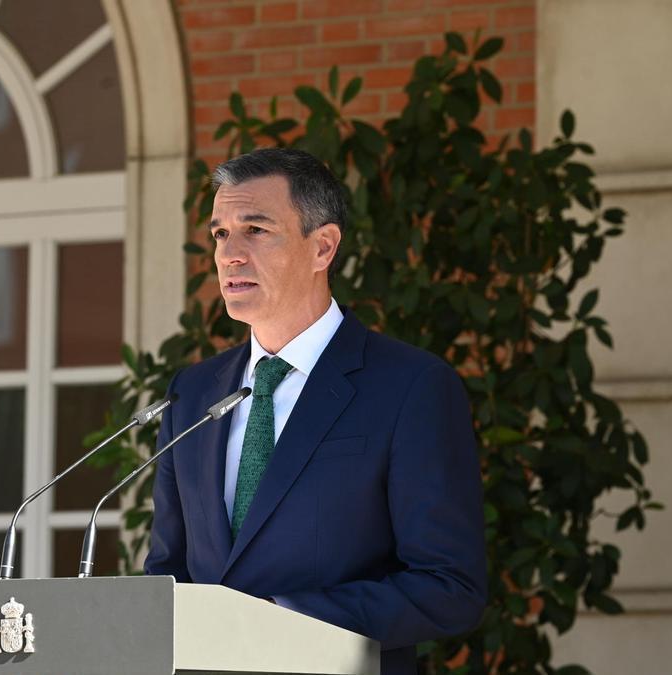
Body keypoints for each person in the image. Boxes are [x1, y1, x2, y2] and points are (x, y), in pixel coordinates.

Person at [144, 148, 487, 675]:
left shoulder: (410, 387)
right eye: (219, 234)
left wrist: (283, 620)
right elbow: (167, 576)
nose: (230, 254)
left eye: (255, 230)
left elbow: (449, 587)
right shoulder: (192, 396)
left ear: (322, 247)